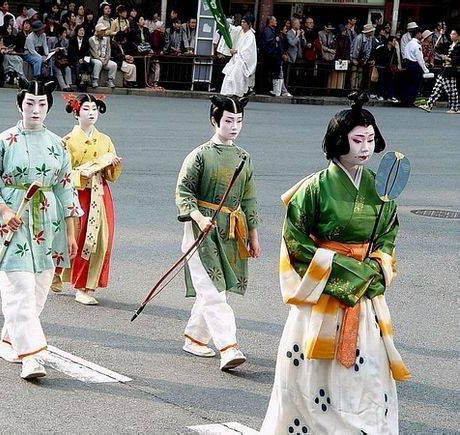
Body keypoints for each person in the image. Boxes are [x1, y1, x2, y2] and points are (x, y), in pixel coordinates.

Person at [260, 92, 410, 434]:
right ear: (339, 140)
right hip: (325, 295)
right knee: (313, 372)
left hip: (364, 296)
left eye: (371, 140)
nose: (365, 148)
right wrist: (349, 271)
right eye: (357, 139)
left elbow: (388, 234)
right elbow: (295, 242)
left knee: (370, 371)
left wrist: (377, 266)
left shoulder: (379, 188)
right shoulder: (313, 188)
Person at [0, 79, 82, 380]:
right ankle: (32, 356)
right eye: (29, 104)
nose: (35, 110)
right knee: (18, 289)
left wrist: (72, 232)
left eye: (41, 104)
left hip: (48, 221)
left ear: (49, 107)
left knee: (38, 289)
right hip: (13, 219)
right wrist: (4, 210)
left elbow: (66, 189)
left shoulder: (58, 145)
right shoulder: (3, 141)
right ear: (19, 105)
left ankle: (9, 341)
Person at [176, 95, 260, 371]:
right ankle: (228, 347)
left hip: (231, 229)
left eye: (239, 121)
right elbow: (184, 192)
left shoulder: (243, 157)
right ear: (214, 120)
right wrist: (199, 218)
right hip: (201, 229)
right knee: (213, 290)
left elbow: (248, 198)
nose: (234, 126)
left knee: (218, 289)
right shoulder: (200, 155)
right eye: (228, 121)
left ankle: (195, 338)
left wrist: (253, 235)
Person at [52, 94, 121, 304]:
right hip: (76, 192)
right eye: (86, 109)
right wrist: (80, 175)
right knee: (76, 237)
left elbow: (111, 175)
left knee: (100, 239)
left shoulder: (105, 140)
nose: (92, 113)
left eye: (94, 109)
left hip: (99, 192)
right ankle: (58, 271)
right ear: (76, 113)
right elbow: (60, 172)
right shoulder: (68, 141)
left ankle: (84, 286)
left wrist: (113, 165)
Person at [418, 29, 459, 114]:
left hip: (451, 69)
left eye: (454, 34)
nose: (451, 36)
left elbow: (456, 60)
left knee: (451, 90)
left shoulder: (458, 46)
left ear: (458, 36)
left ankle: (455, 107)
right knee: (438, 87)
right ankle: (429, 104)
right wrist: (440, 35)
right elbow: (436, 47)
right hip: (445, 69)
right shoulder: (450, 44)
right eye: (451, 34)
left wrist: (446, 58)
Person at [220, 15, 257, 97]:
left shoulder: (250, 35)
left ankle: (236, 96)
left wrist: (236, 51)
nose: (242, 23)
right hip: (235, 59)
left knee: (236, 77)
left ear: (249, 24)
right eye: (242, 22)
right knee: (229, 76)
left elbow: (248, 50)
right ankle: (228, 95)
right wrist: (223, 19)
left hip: (241, 61)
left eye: (244, 22)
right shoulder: (240, 30)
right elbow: (231, 28)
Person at [402, 27, 429, 106]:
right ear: (417, 34)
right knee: (414, 84)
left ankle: (406, 100)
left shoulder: (408, 44)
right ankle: (410, 101)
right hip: (415, 65)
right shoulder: (417, 45)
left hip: (408, 64)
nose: (421, 35)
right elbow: (420, 59)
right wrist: (425, 69)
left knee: (408, 83)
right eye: (420, 33)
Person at [89, 22, 117, 88]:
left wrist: (107, 60)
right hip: (95, 58)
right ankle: (95, 80)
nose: (104, 32)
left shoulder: (106, 39)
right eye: (102, 30)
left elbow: (108, 51)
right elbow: (93, 53)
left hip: (104, 59)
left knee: (114, 65)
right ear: (98, 31)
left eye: (104, 30)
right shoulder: (91, 39)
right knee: (98, 63)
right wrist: (100, 59)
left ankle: (110, 80)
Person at [350, 23, 375, 90]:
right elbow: (355, 49)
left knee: (360, 74)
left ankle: (358, 88)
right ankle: (353, 89)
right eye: (371, 31)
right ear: (368, 32)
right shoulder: (359, 38)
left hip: (362, 58)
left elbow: (369, 49)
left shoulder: (370, 38)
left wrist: (366, 59)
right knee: (354, 74)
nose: (373, 32)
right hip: (356, 57)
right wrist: (354, 59)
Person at [67, 25, 92, 90]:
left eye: (83, 30)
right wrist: (78, 59)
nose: (82, 32)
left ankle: (85, 82)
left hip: (84, 58)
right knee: (78, 65)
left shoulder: (86, 40)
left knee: (88, 64)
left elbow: (87, 52)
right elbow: (71, 52)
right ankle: (78, 82)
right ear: (77, 31)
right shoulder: (72, 40)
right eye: (80, 30)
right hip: (74, 59)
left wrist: (83, 59)